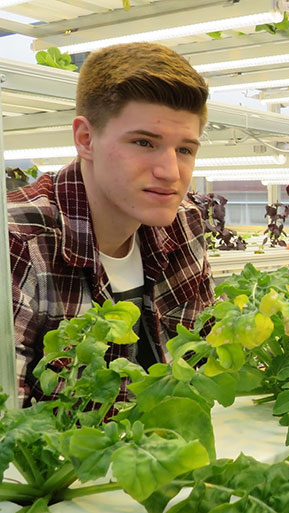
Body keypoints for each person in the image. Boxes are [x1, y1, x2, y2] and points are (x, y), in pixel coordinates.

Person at [9, 42, 214, 407]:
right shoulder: (18, 242)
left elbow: (207, 365)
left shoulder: (184, 223)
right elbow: (7, 432)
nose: (170, 173)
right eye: (143, 142)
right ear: (86, 139)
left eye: (185, 149)